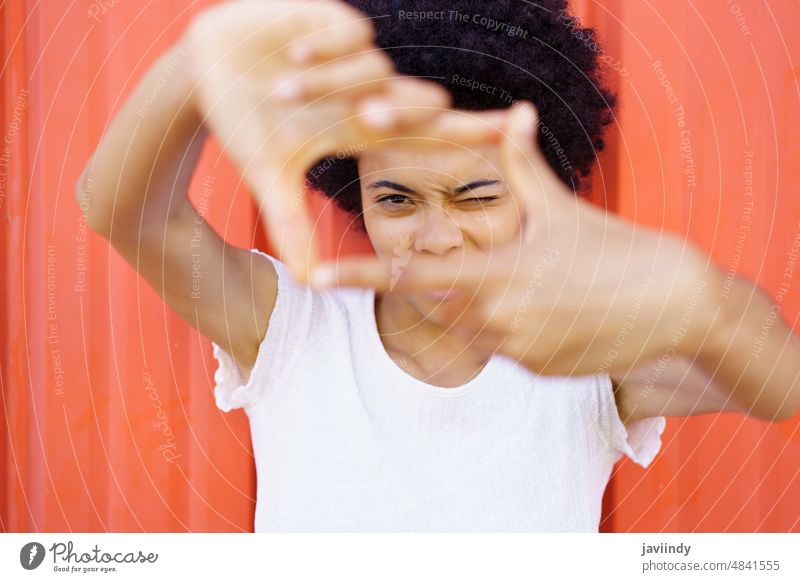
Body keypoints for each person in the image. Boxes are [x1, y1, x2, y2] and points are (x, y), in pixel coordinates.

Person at [76, 0, 799, 532]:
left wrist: (704, 301)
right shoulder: (290, 328)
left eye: (475, 196)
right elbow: (126, 214)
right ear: (353, 192)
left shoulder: (592, 356)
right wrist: (197, 66)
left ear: (535, 189)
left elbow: (782, 387)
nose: (436, 235)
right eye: (397, 200)